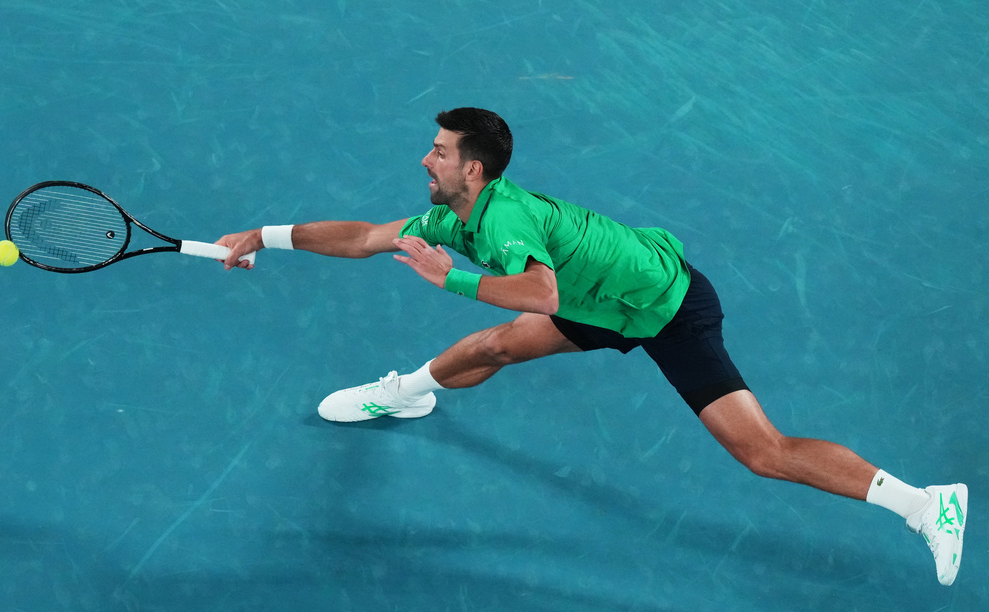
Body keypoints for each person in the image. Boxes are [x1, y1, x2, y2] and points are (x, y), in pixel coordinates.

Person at [215, 107, 968, 586]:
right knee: (500, 347)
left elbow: (539, 292)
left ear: (472, 170)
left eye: (439, 152)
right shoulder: (455, 214)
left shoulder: (503, 223)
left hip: (664, 308)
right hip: (600, 296)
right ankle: (409, 389)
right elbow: (368, 238)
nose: (426, 160)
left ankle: (925, 505)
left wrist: (451, 283)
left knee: (761, 451)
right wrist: (266, 236)